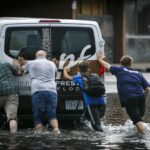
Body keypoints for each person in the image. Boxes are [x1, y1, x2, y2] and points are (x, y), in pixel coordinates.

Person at [97, 53, 150, 134]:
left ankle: (143, 138)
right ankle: (138, 132)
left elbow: (107, 65)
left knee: (137, 120)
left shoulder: (119, 70)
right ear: (131, 64)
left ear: (121, 63)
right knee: (138, 118)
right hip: (141, 97)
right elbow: (147, 89)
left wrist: (100, 59)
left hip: (129, 98)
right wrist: (143, 98)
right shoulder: (138, 73)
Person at [18, 50, 60, 134]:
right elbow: (56, 73)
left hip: (38, 90)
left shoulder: (31, 63)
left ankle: (39, 132)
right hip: (52, 91)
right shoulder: (52, 64)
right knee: (52, 114)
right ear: (46, 56)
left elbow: (20, 71)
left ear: (36, 56)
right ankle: (56, 129)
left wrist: (21, 65)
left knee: (38, 115)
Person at [63, 61, 106, 132]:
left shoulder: (78, 77)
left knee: (96, 125)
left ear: (79, 70)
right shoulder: (95, 76)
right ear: (88, 69)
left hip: (92, 104)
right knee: (95, 121)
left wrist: (65, 70)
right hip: (101, 103)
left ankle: (101, 139)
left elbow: (66, 76)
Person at [0, 60, 20, 133]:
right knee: (12, 117)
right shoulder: (6, 64)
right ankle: (13, 137)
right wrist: (16, 64)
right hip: (11, 92)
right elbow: (17, 71)